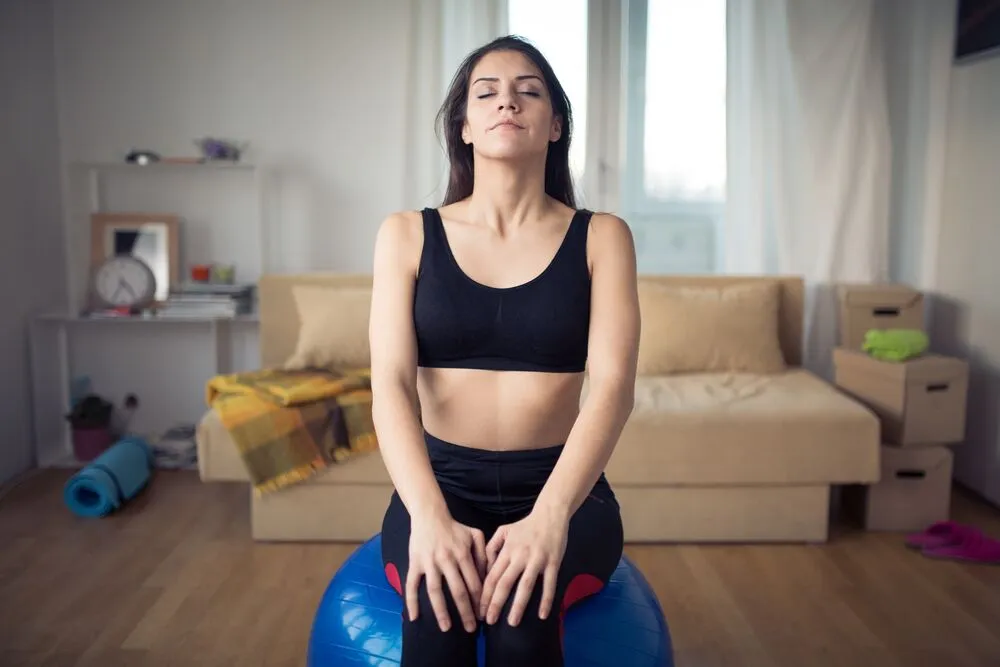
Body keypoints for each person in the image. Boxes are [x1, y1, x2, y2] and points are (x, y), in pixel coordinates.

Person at [369, 34, 640, 667]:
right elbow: (390, 385)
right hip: (440, 486)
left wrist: (550, 518)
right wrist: (429, 518)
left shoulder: (602, 237)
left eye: (529, 92)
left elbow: (612, 390)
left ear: (555, 125)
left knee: (521, 630)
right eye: (486, 93)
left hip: (564, 491)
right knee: (438, 627)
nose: (507, 103)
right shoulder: (406, 234)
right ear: (464, 127)